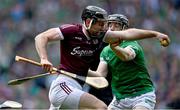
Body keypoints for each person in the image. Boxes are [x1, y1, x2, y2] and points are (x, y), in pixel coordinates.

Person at [34, 5, 170, 109]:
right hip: (64, 85)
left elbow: (128, 34)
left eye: (104, 24)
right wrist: (44, 58)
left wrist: (155, 34)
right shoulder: (71, 31)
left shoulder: (101, 36)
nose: (104, 27)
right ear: (88, 22)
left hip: (76, 88)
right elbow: (41, 37)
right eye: (100, 24)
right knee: (101, 107)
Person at [88, 14, 168, 110]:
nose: (112, 29)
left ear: (124, 28)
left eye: (116, 25)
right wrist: (80, 69)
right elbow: (100, 75)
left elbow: (127, 56)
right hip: (119, 100)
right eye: (110, 25)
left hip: (141, 96)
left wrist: (115, 48)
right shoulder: (106, 51)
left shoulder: (132, 44)